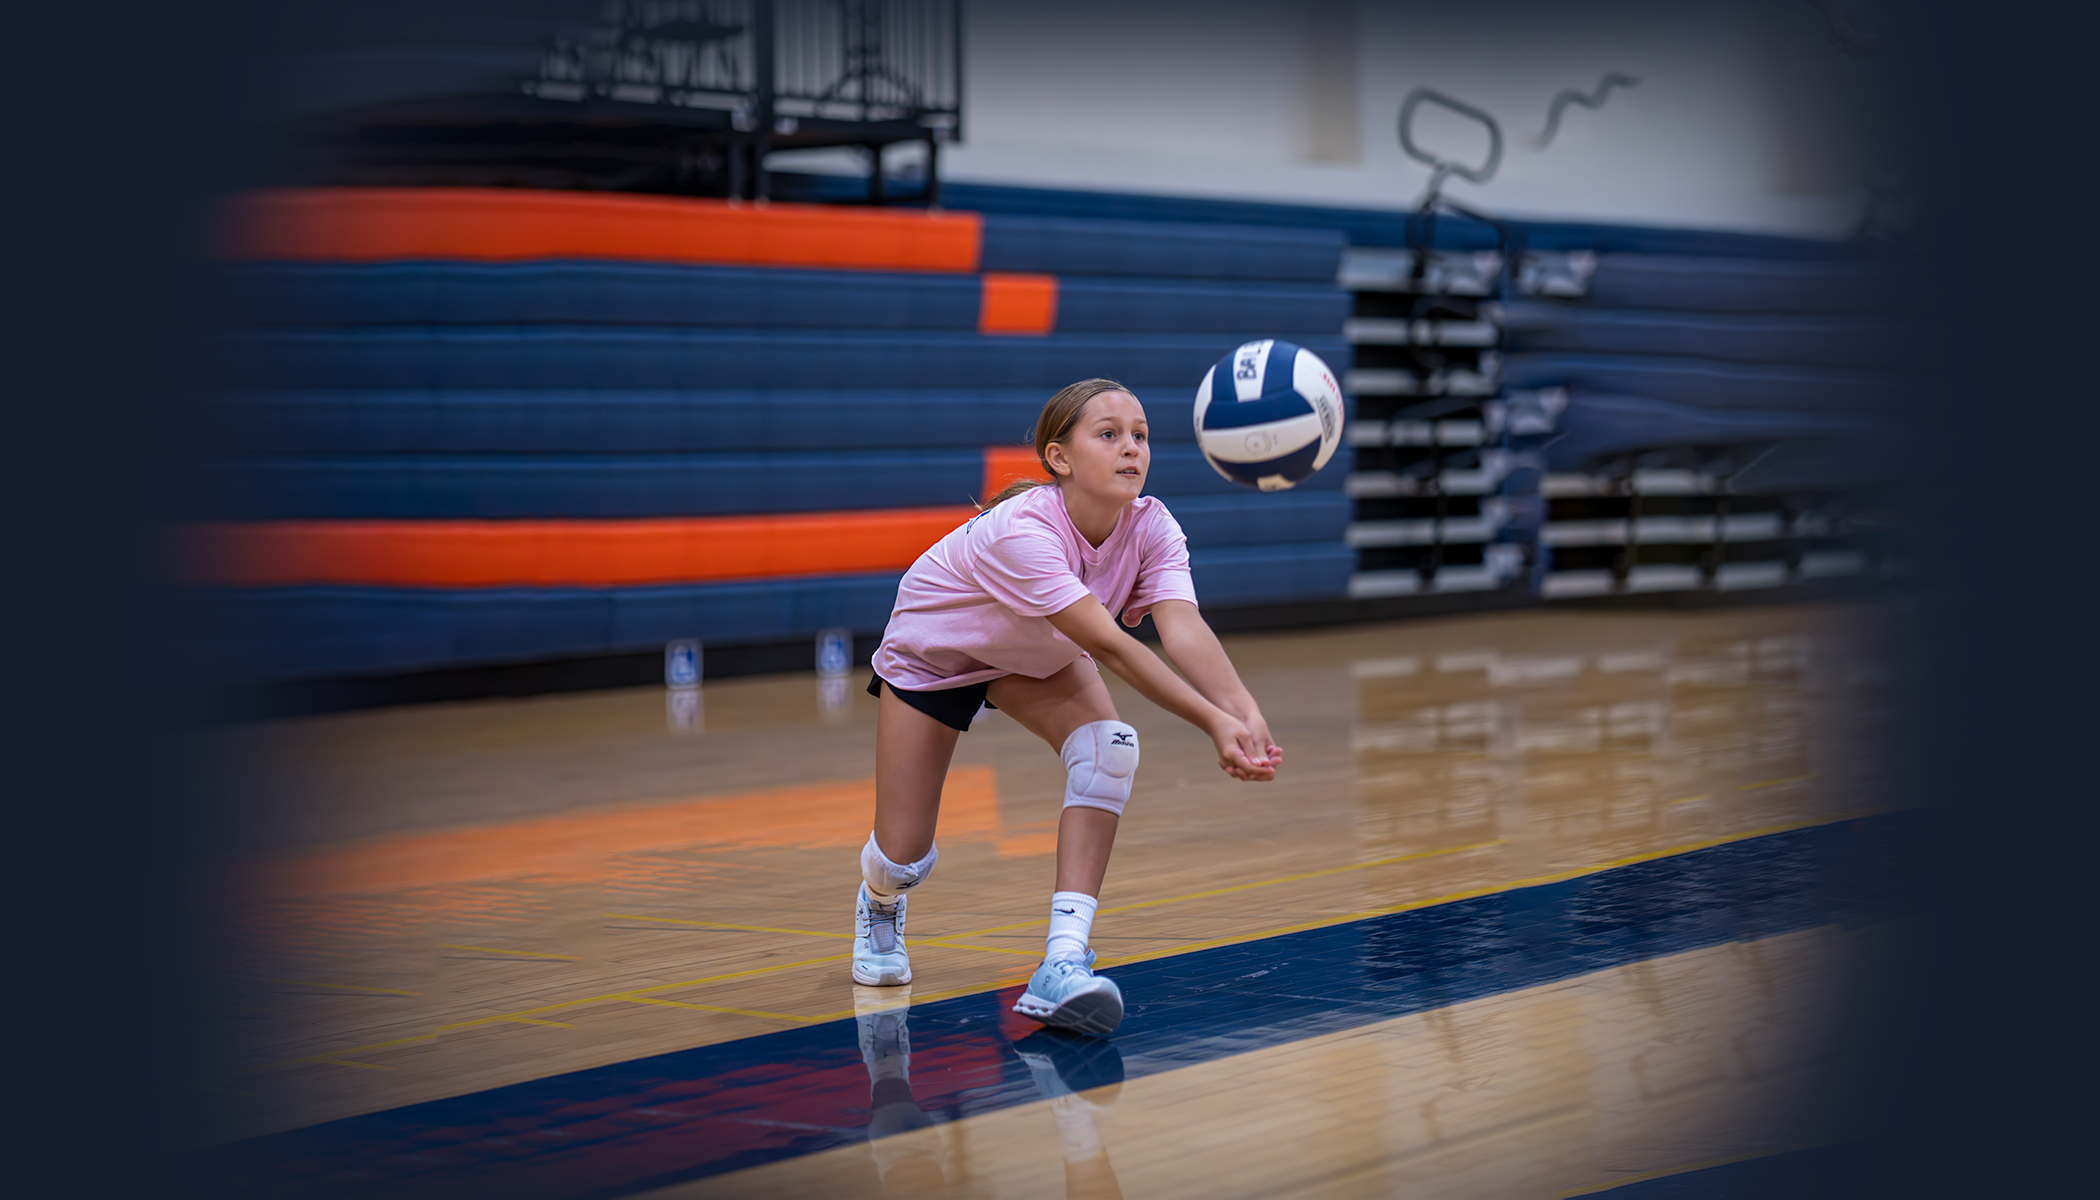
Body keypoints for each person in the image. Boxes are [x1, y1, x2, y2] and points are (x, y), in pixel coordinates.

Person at [851, 377, 1282, 1035]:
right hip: (938, 658)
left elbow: (1182, 626)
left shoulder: (1151, 523)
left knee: (1109, 750)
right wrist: (1210, 721)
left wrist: (1243, 710)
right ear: (1060, 458)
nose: (1130, 448)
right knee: (902, 856)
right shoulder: (1022, 531)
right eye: (1108, 435)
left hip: (1036, 655)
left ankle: (1062, 963)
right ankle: (880, 902)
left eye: (1139, 435)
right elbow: (1109, 644)